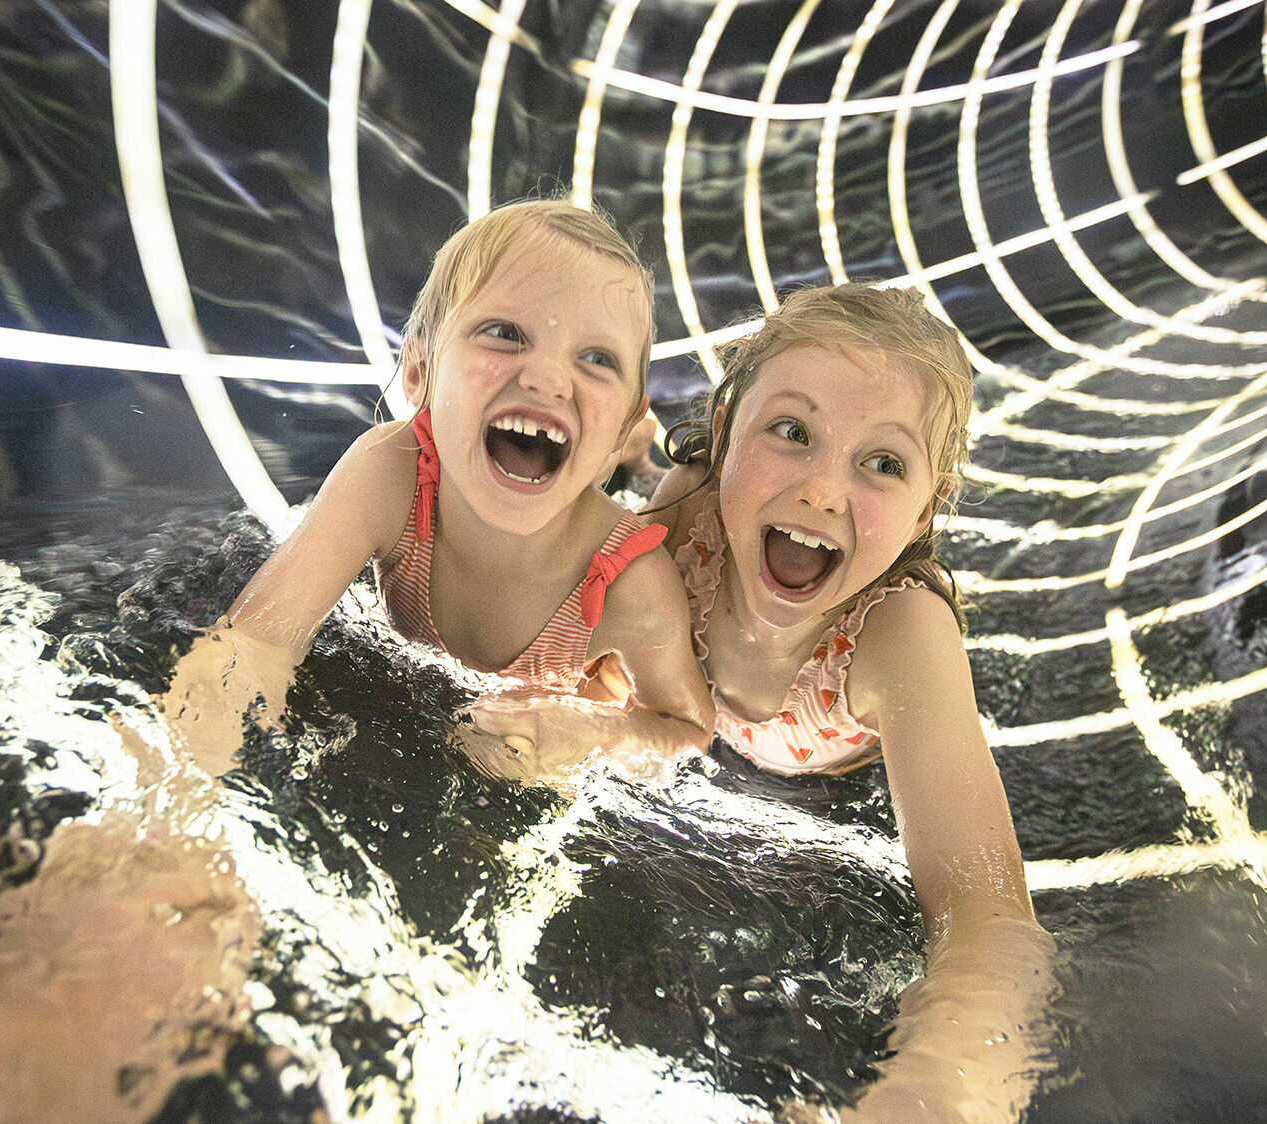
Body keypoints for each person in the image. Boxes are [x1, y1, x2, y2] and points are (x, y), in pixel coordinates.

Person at [644, 283, 1056, 1122]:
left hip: (832, 798)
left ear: (922, 513)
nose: (822, 492)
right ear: (723, 438)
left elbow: (988, 915)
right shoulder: (686, 516)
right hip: (696, 741)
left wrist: (932, 1090)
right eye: (790, 432)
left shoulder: (897, 638)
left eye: (882, 463)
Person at [160, 198, 712, 778]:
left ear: (623, 418)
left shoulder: (629, 583)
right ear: (420, 369)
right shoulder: (390, 474)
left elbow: (689, 729)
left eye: (597, 359)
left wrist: (599, 733)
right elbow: (255, 644)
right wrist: (182, 787)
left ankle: (635, 456)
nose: (547, 378)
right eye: (504, 333)